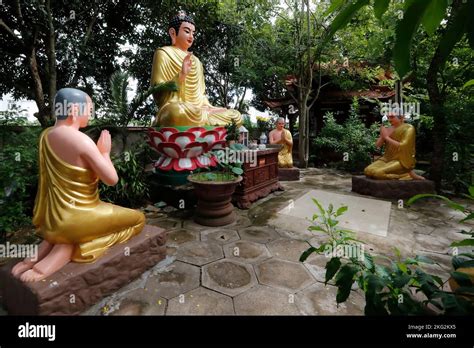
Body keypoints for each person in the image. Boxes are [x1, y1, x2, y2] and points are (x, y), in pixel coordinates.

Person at [11, 88, 145, 282]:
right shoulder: (82, 141)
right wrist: (105, 153)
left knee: (59, 235)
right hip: (79, 218)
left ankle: (33, 259)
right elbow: (111, 179)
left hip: (51, 220)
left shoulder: (46, 137)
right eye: (88, 110)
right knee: (139, 219)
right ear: (74, 110)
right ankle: (77, 246)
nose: (90, 115)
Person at [150, 11, 242, 127]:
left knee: (236, 116)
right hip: (178, 108)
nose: (191, 37)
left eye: (193, 33)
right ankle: (206, 126)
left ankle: (204, 123)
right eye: (187, 31)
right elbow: (157, 89)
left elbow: (201, 96)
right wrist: (181, 75)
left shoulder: (196, 61)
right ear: (173, 33)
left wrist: (209, 108)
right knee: (174, 113)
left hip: (198, 110)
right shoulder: (163, 53)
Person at [364, 112, 425, 180]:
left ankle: (405, 174)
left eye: (392, 117)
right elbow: (377, 146)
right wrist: (382, 137)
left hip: (400, 160)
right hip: (387, 158)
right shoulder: (389, 128)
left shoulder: (408, 128)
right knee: (367, 171)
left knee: (378, 173)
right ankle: (403, 174)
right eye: (388, 117)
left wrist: (387, 137)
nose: (389, 119)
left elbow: (403, 146)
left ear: (401, 117)